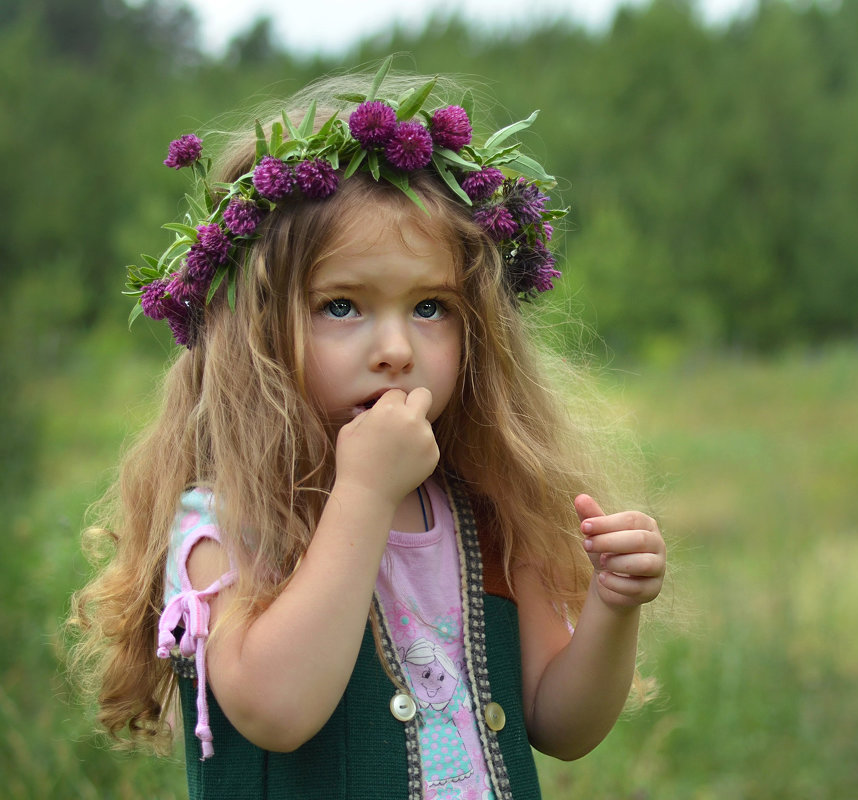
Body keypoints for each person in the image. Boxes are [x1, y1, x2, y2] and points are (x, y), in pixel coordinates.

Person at [69, 59, 667, 800]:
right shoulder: (226, 522)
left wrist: (612, 608)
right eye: (342, 306)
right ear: (256, 329)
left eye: (431, 307)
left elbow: (560, 724)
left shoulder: (487, 510)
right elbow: (276, 710)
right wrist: (362, 492)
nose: (395, 349)